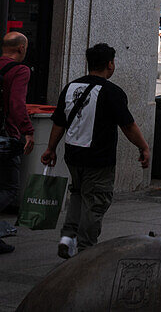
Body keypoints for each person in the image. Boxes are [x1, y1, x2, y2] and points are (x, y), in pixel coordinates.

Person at [41, 44, 151, 258]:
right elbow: (128, 125)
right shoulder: (112, 92)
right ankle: (85, 249)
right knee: (96, 201)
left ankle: (68, 238)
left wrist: (51, 148)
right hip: (98, 158)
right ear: (110, 64)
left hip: (73, 154)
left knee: (77, 193)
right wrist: (143, 147)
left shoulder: (71, 87)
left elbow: (59, 123)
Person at [0, 33, 32, 253]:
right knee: (10, 187)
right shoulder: (20, 70)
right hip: (5, 137)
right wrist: (27, 131)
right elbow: (17, 104)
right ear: (21, 48)